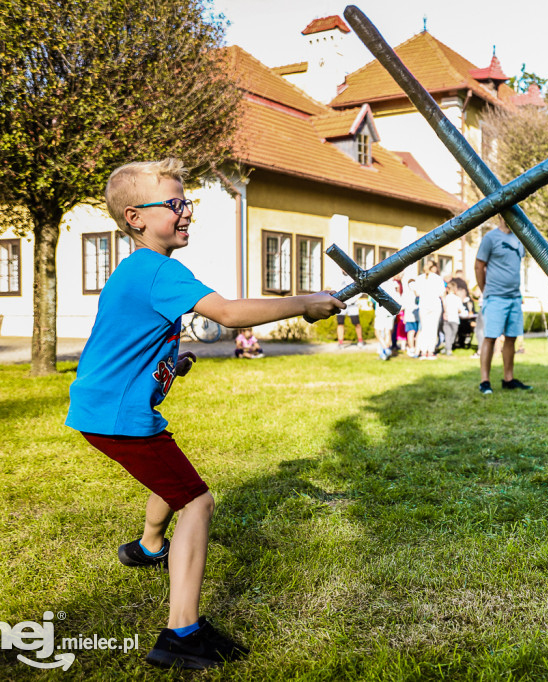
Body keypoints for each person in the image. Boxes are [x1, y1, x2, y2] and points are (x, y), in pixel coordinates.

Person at [64, 158, 344, 670]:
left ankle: (148, 548)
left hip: (104, 408)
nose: (186, 211)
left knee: (170, 476)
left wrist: (173, 362)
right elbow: (231, 315)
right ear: (136, 218)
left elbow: (124, 342)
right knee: (196, 501)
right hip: (116, 416)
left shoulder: (134, 270)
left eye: (186, 201)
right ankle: (181, 634)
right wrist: (304, 302)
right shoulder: (158, 269)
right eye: (173, 204)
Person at [475, 221, 531, 394]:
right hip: (495, 297)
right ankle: (485, 381)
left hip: (514, 297)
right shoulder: (490, 238)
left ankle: (508, 379)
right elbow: (478, 266)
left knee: (511, 337)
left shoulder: (519, 238)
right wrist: (485, 291)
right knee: (490, 337)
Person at [416, 260, 445, 360]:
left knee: (424, 328)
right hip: (434, 305)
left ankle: (423, 351)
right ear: (434, 268)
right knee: (432, 328)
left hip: (423, 304)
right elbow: (442, 294)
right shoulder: (438, 278)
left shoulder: (420, 278)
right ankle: (430, 351)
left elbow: (417, 293)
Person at [335, 275, 364, 349]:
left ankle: (360, 341)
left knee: (356, 323)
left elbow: (360, 290)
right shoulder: (337, 278)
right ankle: (340, 343)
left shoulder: (354, 277)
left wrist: (352, 300)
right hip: (341, 304)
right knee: (340, 323)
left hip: (352, 305)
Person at [441, 281, 464, 356]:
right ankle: (449, 349)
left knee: (447, 334)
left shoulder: (445, 298)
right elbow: (460, 309)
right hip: (454, 319)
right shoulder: (457, 299)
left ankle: (447, 348)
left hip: (447, 319)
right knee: (452, 335)